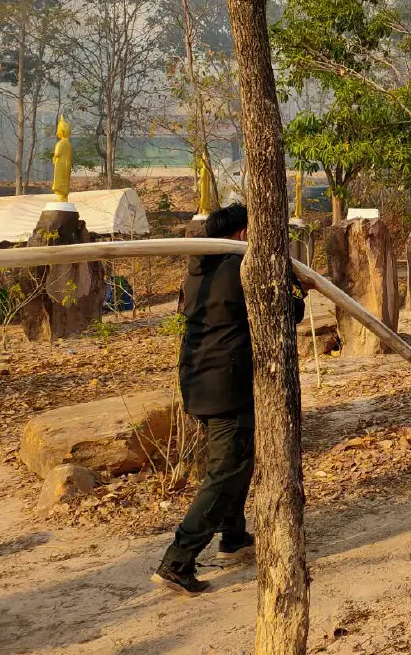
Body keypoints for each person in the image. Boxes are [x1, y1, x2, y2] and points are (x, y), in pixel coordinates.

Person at [153, 203, 306, 596]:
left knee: (235, 460)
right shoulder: (240, 271)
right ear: (241, 235)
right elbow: (286, 312)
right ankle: (177, 561)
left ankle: (234, 536)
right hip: (225, 384)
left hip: (200, 381)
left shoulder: (200, 271)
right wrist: (294, 288)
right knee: (227, 471)